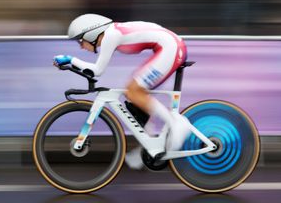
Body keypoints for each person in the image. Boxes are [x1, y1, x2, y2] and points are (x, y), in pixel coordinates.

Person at [53, 14, 191, 169]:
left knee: (134, 91)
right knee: (134, 96)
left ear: (90, 34)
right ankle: (152, 145)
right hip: (168, 46)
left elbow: (97, 70)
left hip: (170, 47)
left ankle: (176, 124)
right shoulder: (111, 32)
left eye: (80, 40)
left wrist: (70, 60)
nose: (80, 46)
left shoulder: (110, 36)